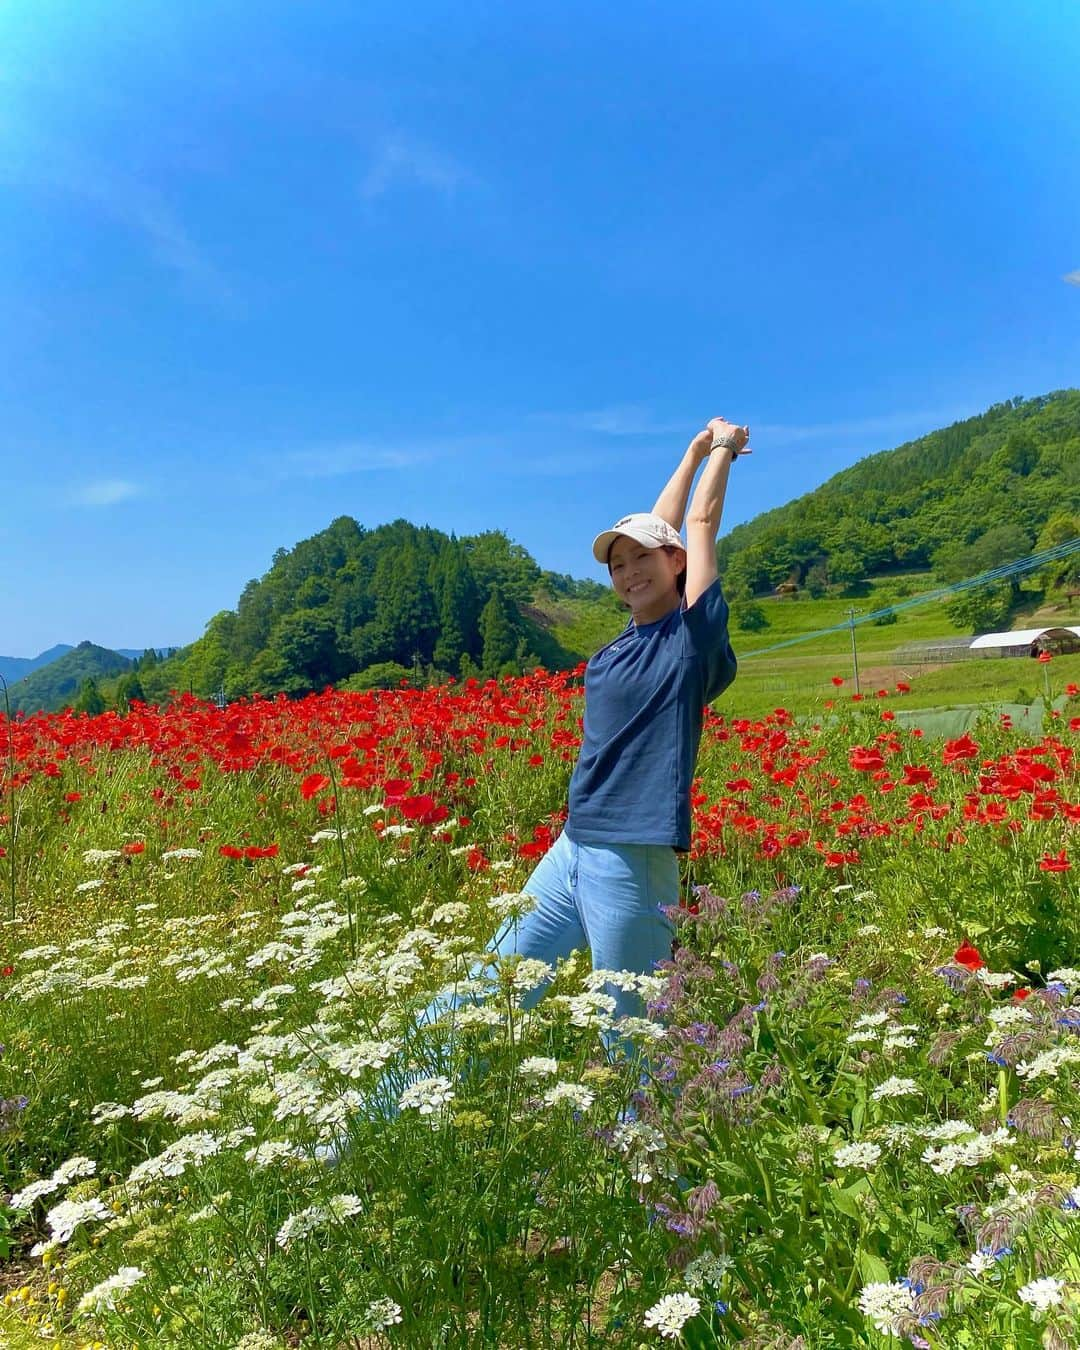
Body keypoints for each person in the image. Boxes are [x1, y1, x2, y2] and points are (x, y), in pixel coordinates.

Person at [319, 417, 746, 1157]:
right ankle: (352, 1132)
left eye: (643, 560)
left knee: (632, 1034)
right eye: (617, 563)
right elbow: (664, 524)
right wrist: (681, 452)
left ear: (678, 565)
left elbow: (696, 523)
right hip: (573, 850)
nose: (628, 572)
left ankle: (665, 1218)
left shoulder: (692, 639)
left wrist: (718, 450)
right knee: (489, 988)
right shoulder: (632, 635)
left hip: (633, 860)